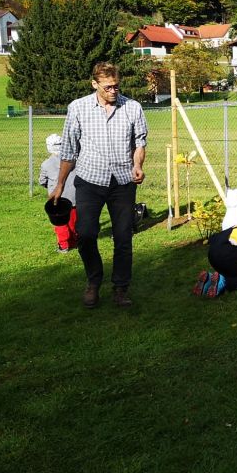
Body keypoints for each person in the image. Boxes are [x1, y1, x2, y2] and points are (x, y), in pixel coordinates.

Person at [49, 61, 147, 308]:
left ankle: (121, 288)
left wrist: (137, 165)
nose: (113, 91)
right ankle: (93, 282)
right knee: (86, 233)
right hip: (90, 181)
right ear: (94, 84)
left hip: (123, 182)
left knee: (123, 237)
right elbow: (69, 150)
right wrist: (60, 184)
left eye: (116, 86)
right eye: (108, 87)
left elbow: (139, 143)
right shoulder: (78, 108)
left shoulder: (132, 107)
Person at [39, 133, 78, 253]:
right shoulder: (73, 161)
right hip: (73, 196)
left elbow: (42, 181)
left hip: (57, 199)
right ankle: (74, 241)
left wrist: (49, 186)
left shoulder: (46, 164)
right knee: (73, 221)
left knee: (60, 223)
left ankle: (64, 245)